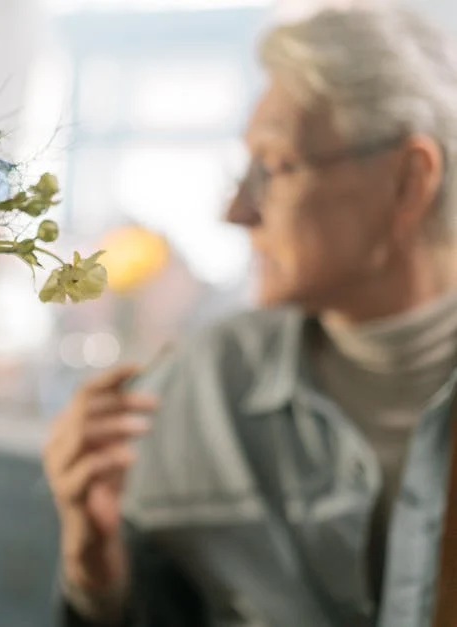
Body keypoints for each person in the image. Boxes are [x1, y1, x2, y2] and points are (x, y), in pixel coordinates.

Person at [43, 5, 457, 627]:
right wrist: (96, 570)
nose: (236, 210)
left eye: (276, 166)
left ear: (408, 181)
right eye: (245, 170)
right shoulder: (199, 386)